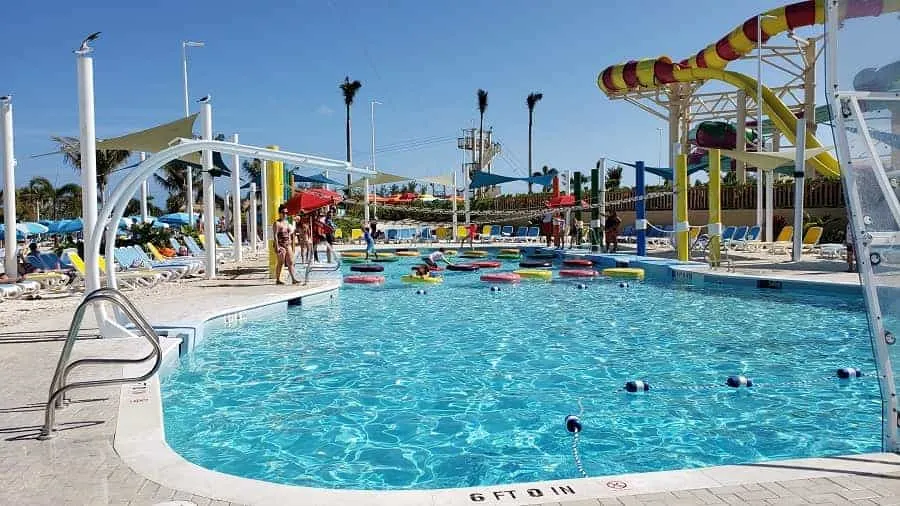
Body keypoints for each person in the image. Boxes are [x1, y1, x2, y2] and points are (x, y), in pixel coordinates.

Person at [272, 204, 298, 285]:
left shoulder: (287, 223)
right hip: (280, 245)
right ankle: (278, 279)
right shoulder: (277, 223)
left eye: (286, 213)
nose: (285, 214)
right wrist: (277, 247)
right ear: (279, 213)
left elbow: (290, 232)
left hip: (288, 244)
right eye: (283, 212)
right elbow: (275, 235)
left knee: (290, 262)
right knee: (281, 262)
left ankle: (293, 279)